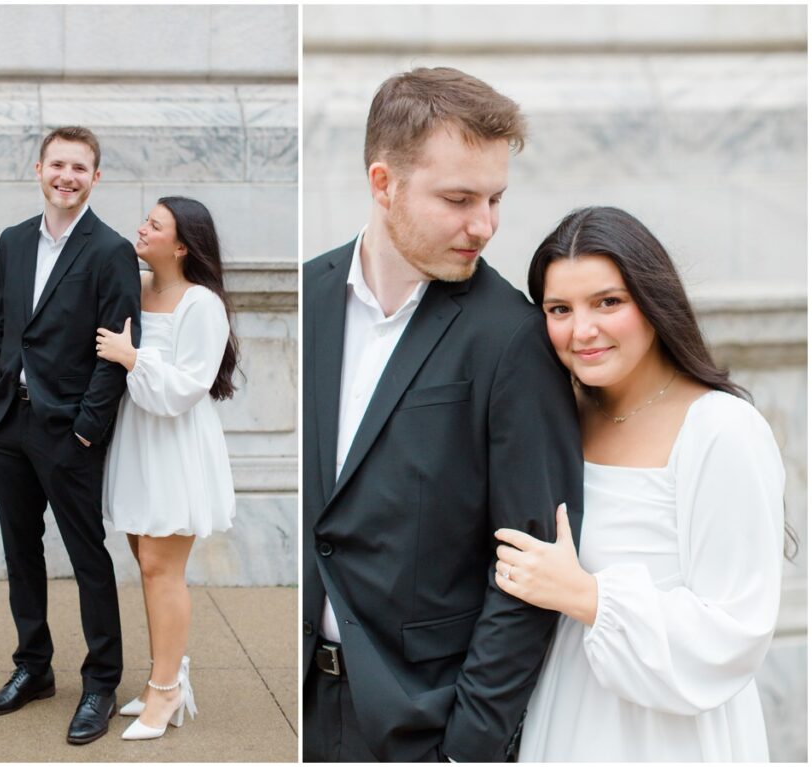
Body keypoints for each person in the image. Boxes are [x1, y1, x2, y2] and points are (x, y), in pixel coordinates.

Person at [301, 66, 583, 762]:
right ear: (382, 183)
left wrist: (468, 747)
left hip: (421, 726)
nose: (483, 225)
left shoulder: (513, 336)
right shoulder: (308, 293)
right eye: (458, 198)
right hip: (298, 708)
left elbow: (529, 569)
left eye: (494, 199)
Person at [495, 206, 786, 761]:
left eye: (608, 302)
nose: (583, 331)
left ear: (652, 304)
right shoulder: (558, 419)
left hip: (666, 734)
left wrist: (587, 595)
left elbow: (737, 630)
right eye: (560, 309)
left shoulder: (721, 430)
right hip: (560, 712)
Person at [0, 126, 141, 745]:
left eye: (80, 168)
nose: (67, 176)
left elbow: (116, 351)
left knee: (87, 558)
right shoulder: (13, 242)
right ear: (39, 169)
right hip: (8, 425)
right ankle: (33, 669)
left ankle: (101, 682)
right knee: (21, 552)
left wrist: (86, 432)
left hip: (68, 432)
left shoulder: (110, 250)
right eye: (58, 165)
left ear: (95, 179)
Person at [95, 196, 238, 741]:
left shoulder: (201, 303)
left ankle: (165, 693)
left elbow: (187, 387)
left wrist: (132, 357)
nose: (141, 229)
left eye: (154, 225)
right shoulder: (137, 288)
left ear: (181, 245)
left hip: (174, 442)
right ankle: (169, 674)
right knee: (143, 558)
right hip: (135, 437)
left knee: (161, 566)